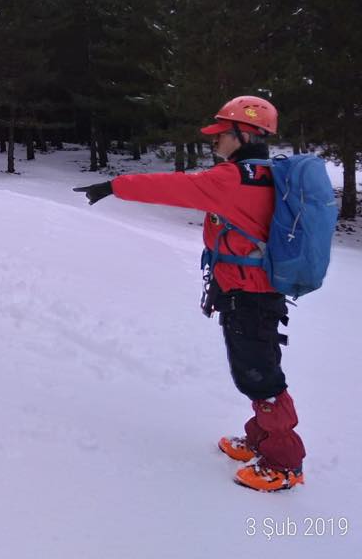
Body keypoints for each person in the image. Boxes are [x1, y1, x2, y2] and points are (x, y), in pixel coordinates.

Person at [73, 96, 305, 492]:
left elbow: (172, 186)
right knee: (253, 365)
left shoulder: (231, 179)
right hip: (255, 292)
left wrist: (114, 185)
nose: (215, 142)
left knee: (259, 375)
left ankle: (285, 463)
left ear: (244, 134)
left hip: (249, 295)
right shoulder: (266, 173)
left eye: (222, 134)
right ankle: (260, 437)